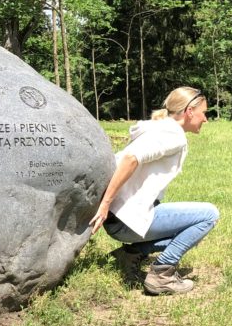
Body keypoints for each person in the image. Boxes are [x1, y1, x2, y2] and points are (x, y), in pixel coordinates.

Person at [89, 86, 219, 295]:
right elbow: (131, 158)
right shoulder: (172, 135)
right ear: (190, 111)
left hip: (119, 218)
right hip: (124, 220)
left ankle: (131, 254)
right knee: (208, 215)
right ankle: (162, 275)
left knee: (190, 229)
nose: (205, 119)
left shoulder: (160, 128)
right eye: (204, 113)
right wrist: (105, 205)